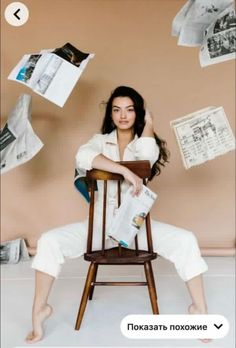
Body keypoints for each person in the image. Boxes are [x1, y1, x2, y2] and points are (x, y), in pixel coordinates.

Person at [26, 86, 209, 344]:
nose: (123, 115)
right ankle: (39, 310)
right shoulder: (99, 142)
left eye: (130, 109)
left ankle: (199, 312)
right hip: (99, 230)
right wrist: (123, 171)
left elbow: (145, 157)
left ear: (138, 113)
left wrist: (151, 123)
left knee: (187, 239)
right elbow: (83, 156)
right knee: (48, 241)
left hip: (137, 231)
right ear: (110, 114)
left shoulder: (146, 141)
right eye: (117, 109)